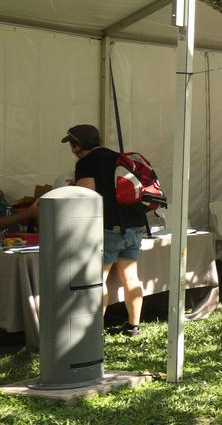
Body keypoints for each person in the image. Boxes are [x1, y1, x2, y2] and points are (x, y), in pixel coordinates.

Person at [63, 124, 145, 337]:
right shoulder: (116, 156)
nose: (70, 149)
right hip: (134, 222)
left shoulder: (86, 162)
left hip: (110, 226)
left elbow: (86, 193)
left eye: (71, 144)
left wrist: (71, 187)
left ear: (77, 145)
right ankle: (133, 326)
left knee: (98, 279)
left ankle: (94, 331)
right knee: (131, 277)